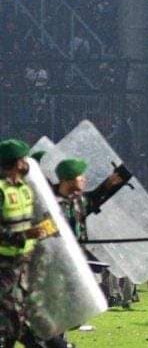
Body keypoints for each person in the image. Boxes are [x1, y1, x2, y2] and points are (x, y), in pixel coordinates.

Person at [0, 139, 70, 348]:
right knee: (13, 319)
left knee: (25, 318)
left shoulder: (25, 189)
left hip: (25, 265)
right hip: (4, 267)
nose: (26, 162)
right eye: (23, 159)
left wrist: (48, 228)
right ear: (15, 162)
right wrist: (24, 235)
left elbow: (33, 220)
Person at [52, 158, 130, 309]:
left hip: (73, 259)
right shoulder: (52, 204)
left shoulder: (78, 201)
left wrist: (114, 181)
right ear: (68, 180)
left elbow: (97, 197)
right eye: (80, 176)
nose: (84, 179)